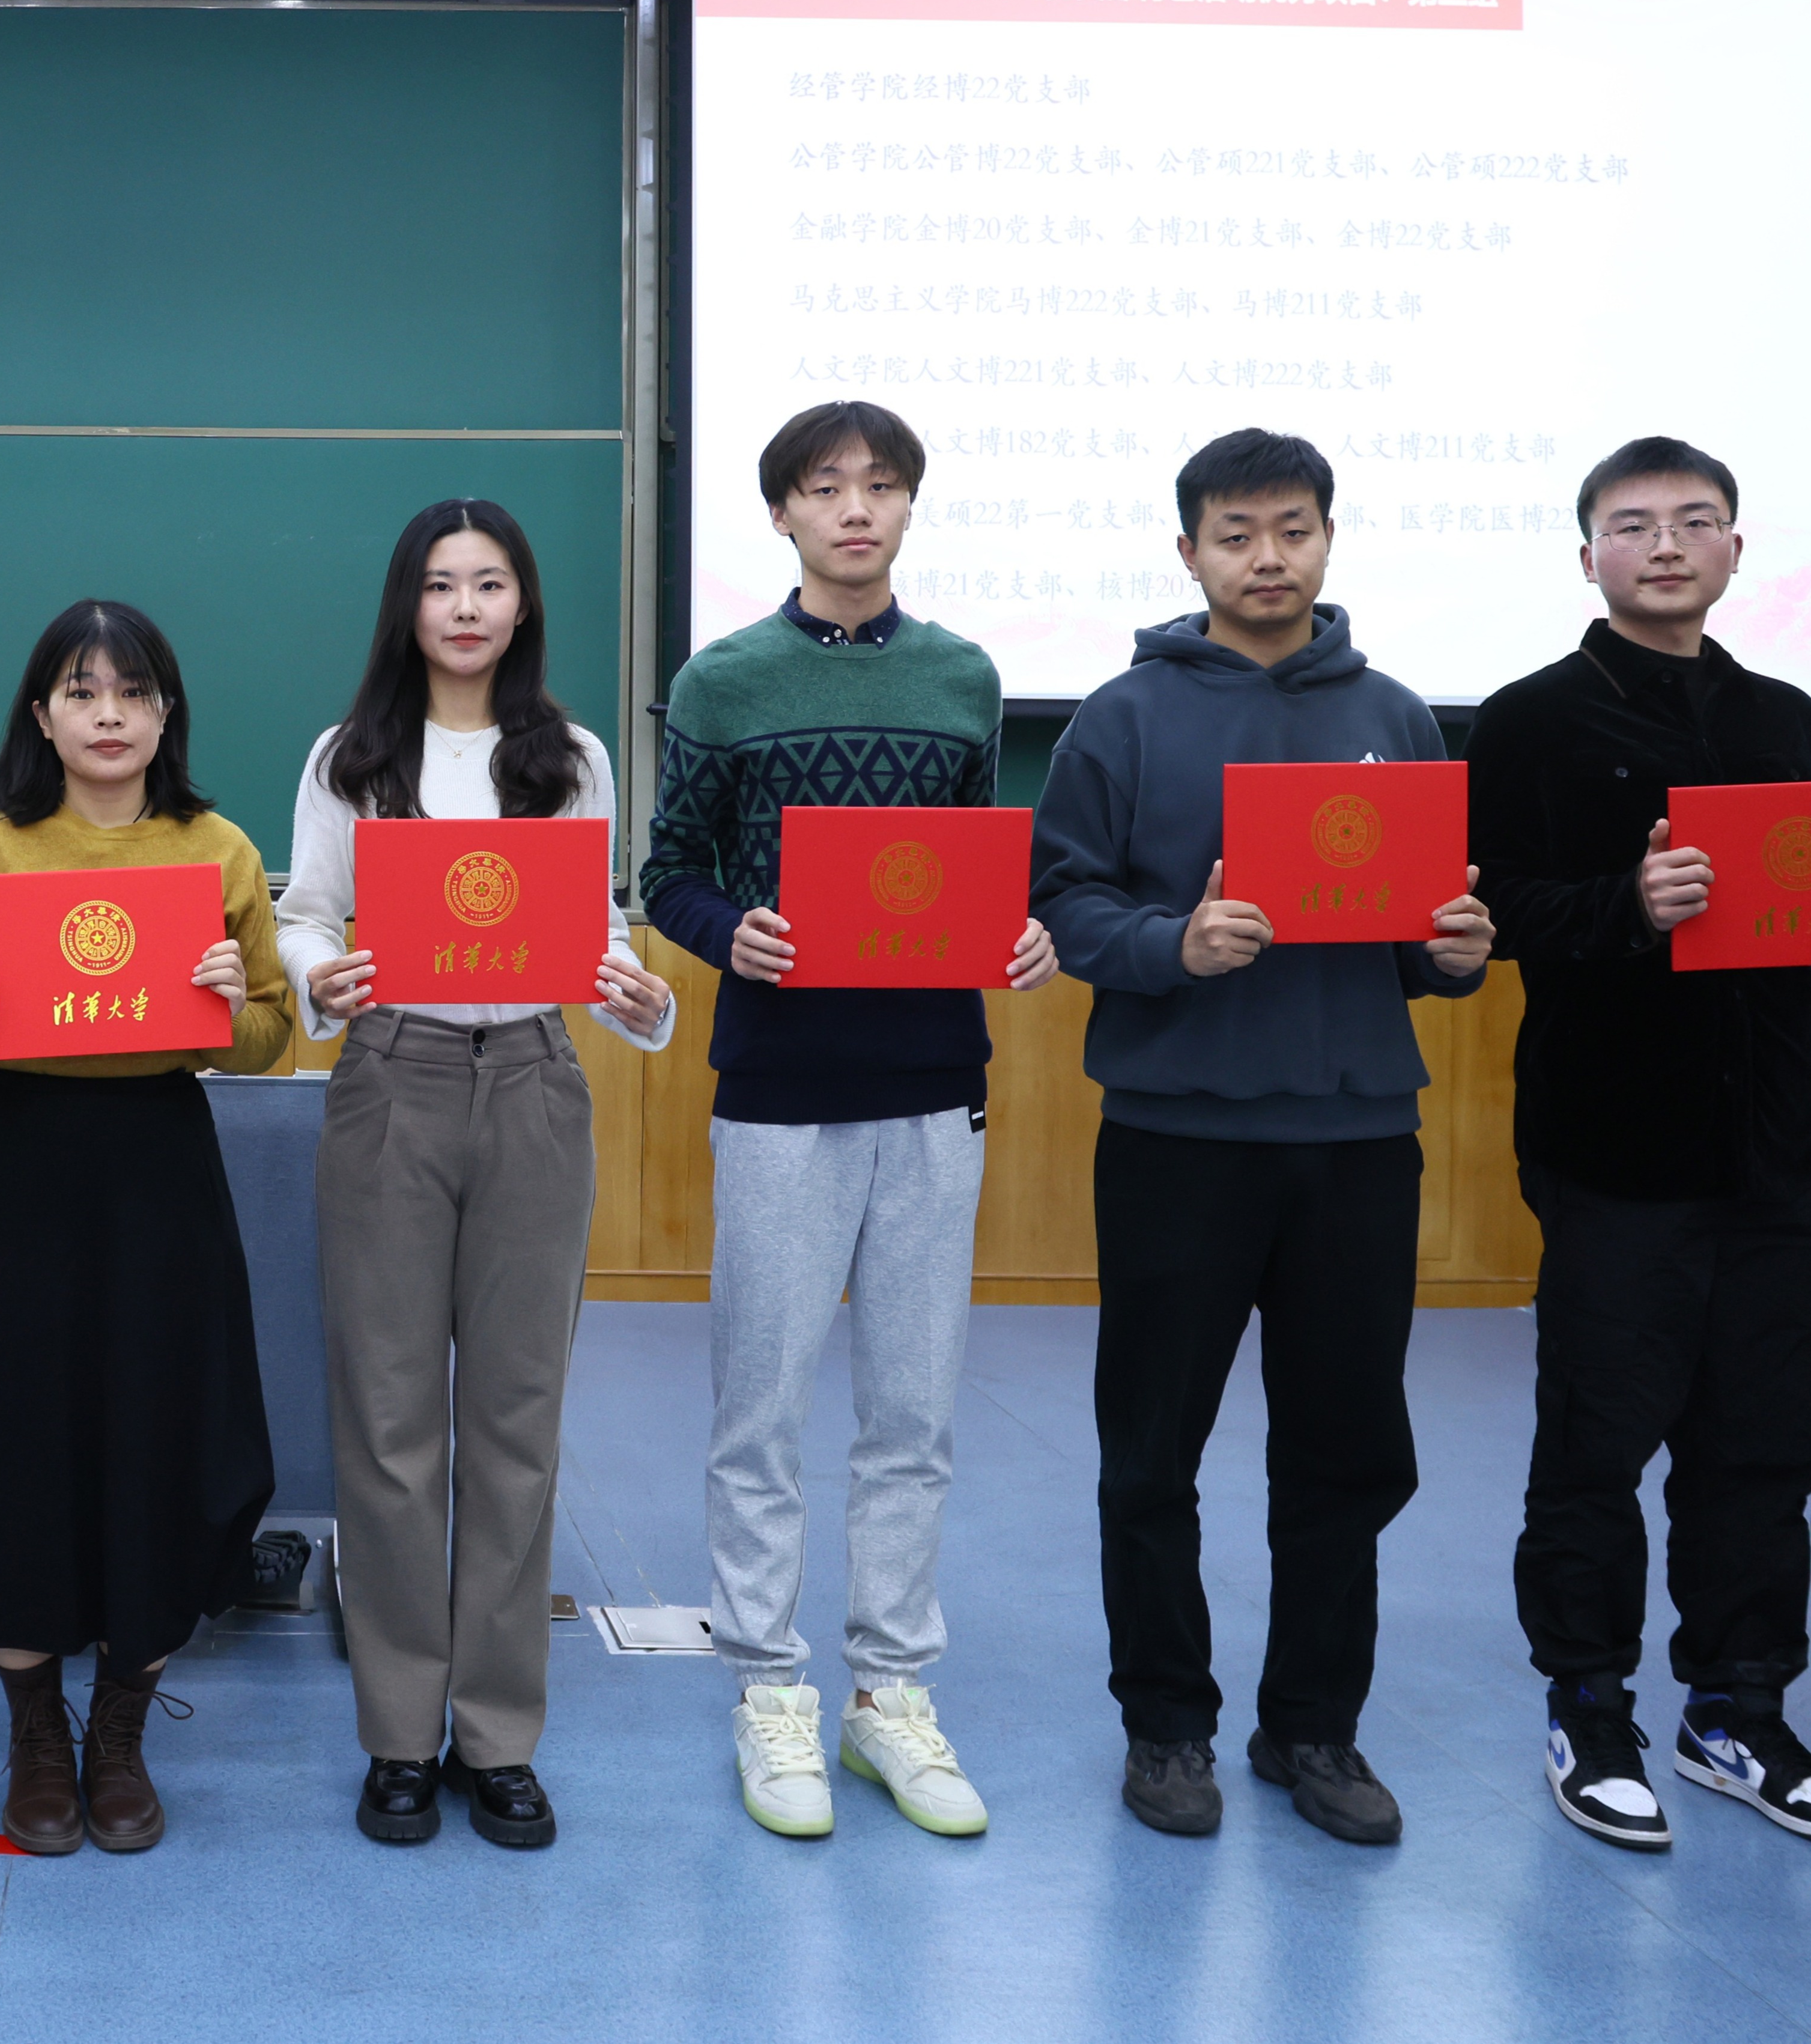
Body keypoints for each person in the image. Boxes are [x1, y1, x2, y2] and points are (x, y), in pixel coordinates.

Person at [1466, 437, 1811, 1854]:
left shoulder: (1787, 717)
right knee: (1598, 1446)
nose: (1667, 544)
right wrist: (1626, 904)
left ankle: (1738, 1709)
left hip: (1777, 1153)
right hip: (1616, 1147)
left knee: (1763, 1449)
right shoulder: (1527, 719)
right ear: (1590, 557)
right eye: (1634, 525)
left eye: (1697, 521)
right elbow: (1497, 911)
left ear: (1737, 547)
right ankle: (1590, 1706)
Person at [1028, 427, 1494, 1848]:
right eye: (1237, 535)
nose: (1268, 557)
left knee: (1346, 1451)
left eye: (1293, 528)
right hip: (1177, 1137)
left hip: (1358, 1136)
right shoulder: (1122, 716)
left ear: (1329, 538)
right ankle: (1167, 1724)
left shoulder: (1398, 715)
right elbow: (1064, 904)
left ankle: (1314, 1726)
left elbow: (1418, 932)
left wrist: (1454, 952)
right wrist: (1174, 942)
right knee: (1150, 1452)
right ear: (1190, 553)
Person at [640, 403, 1058, 1846]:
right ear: (783, 513)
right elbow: (668, 871)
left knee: (913, 1414)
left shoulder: (962, 677)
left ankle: (890, 1691)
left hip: (935, 1082)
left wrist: (1020, 934)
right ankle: (769, 1687)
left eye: (882, 486)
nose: (857, 509)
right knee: (760, 1409)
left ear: (910, 506)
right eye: (827, 488)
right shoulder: (723, 679)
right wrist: (729, 932)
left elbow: (975, 867)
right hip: (779, 1090)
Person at [278, 499, 678, 1851]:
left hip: (532, 1083)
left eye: (490, 583)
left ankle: (499, 1736)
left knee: (517, 1423)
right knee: (390, 1425)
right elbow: (304, 916)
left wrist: (635, 991)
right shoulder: (352, 753)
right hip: (390, 1079)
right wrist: (319, 977)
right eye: (441, 584)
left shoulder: (569, 755)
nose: (465, 607)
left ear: (523, 603)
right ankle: (400, 1733)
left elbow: (597, 924)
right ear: (409, 603)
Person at [0, 599, 296, 1855]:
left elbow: (274, 1042)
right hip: (28, 1169)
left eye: (133, 692)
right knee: (19, 1445)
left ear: (167, 714)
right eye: (81, 691)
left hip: (162, 1173)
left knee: (161, 1437)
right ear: (42, 714)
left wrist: (230, 1007)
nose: (108, 714)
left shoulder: (218, 849)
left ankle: (119, 1727)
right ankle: (34, 1731)